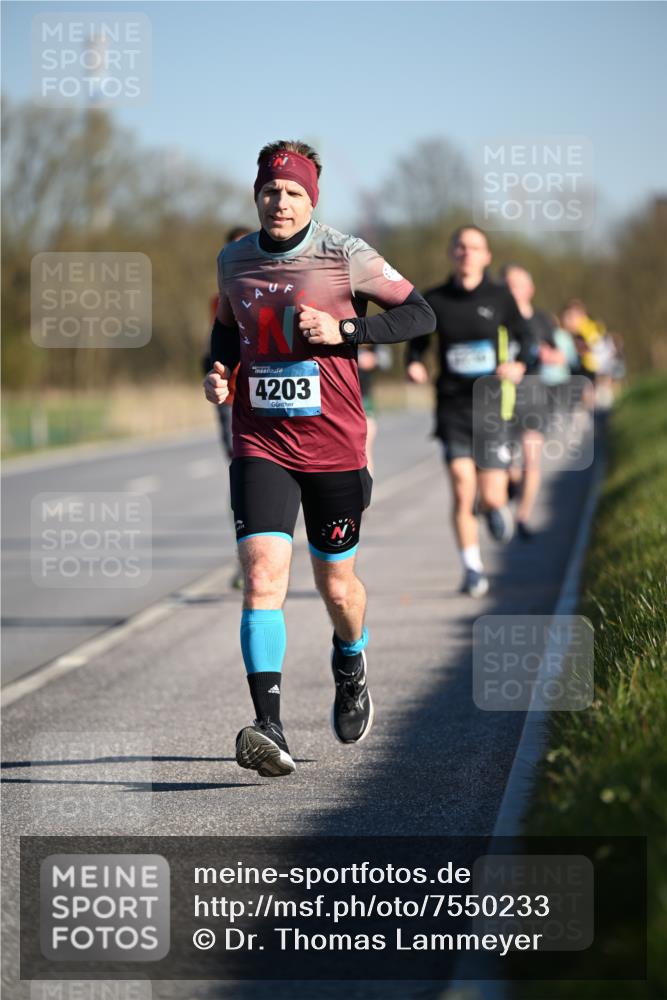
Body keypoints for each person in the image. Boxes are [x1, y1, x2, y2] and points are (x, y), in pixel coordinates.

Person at [203, 140, 435, 777]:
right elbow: (225, 330)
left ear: (312, 199)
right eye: (270, 191)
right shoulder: (233, 260)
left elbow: (420, 315)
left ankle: (351, 658)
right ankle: (268, 725)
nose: (280, 202)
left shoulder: (344, 254)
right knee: (261, 577)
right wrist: (219, 372)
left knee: (337, 587)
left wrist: (346, 330)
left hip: (334, 446)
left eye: (293, 192)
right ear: (256, 196)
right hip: (261, 442)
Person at [406, 226, 535, 597]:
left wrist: (519, 365)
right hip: (452, 406)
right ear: (451, 253)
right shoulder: (434, 299)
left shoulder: (500, 297)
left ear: (486, 256)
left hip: (491, 406)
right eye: (460, 246)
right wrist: (414, 363)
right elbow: (417, 343)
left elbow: (526, 338)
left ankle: (495, 507)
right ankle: (472, 568)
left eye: (475, 247)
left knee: (491, 495)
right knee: (463, 491)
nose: (467, 252)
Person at [202, 226, 252, 590]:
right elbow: (218, 345)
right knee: (242, 473)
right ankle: (245, 557)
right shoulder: (220, 300)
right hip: (233, 398)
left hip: (270, 395)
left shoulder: (284, 288)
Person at [501, 264, 564, 539]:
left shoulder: (542, 320)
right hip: (501, 397)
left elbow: (560, 356)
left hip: (534, 395)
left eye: (518, 285)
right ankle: (511, 485)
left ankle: (523, 517)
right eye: (508, 285)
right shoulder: (496, 318)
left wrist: (549, 356)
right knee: (507, 464)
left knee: (532, 459)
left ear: (530, 289)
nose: (513, 290)